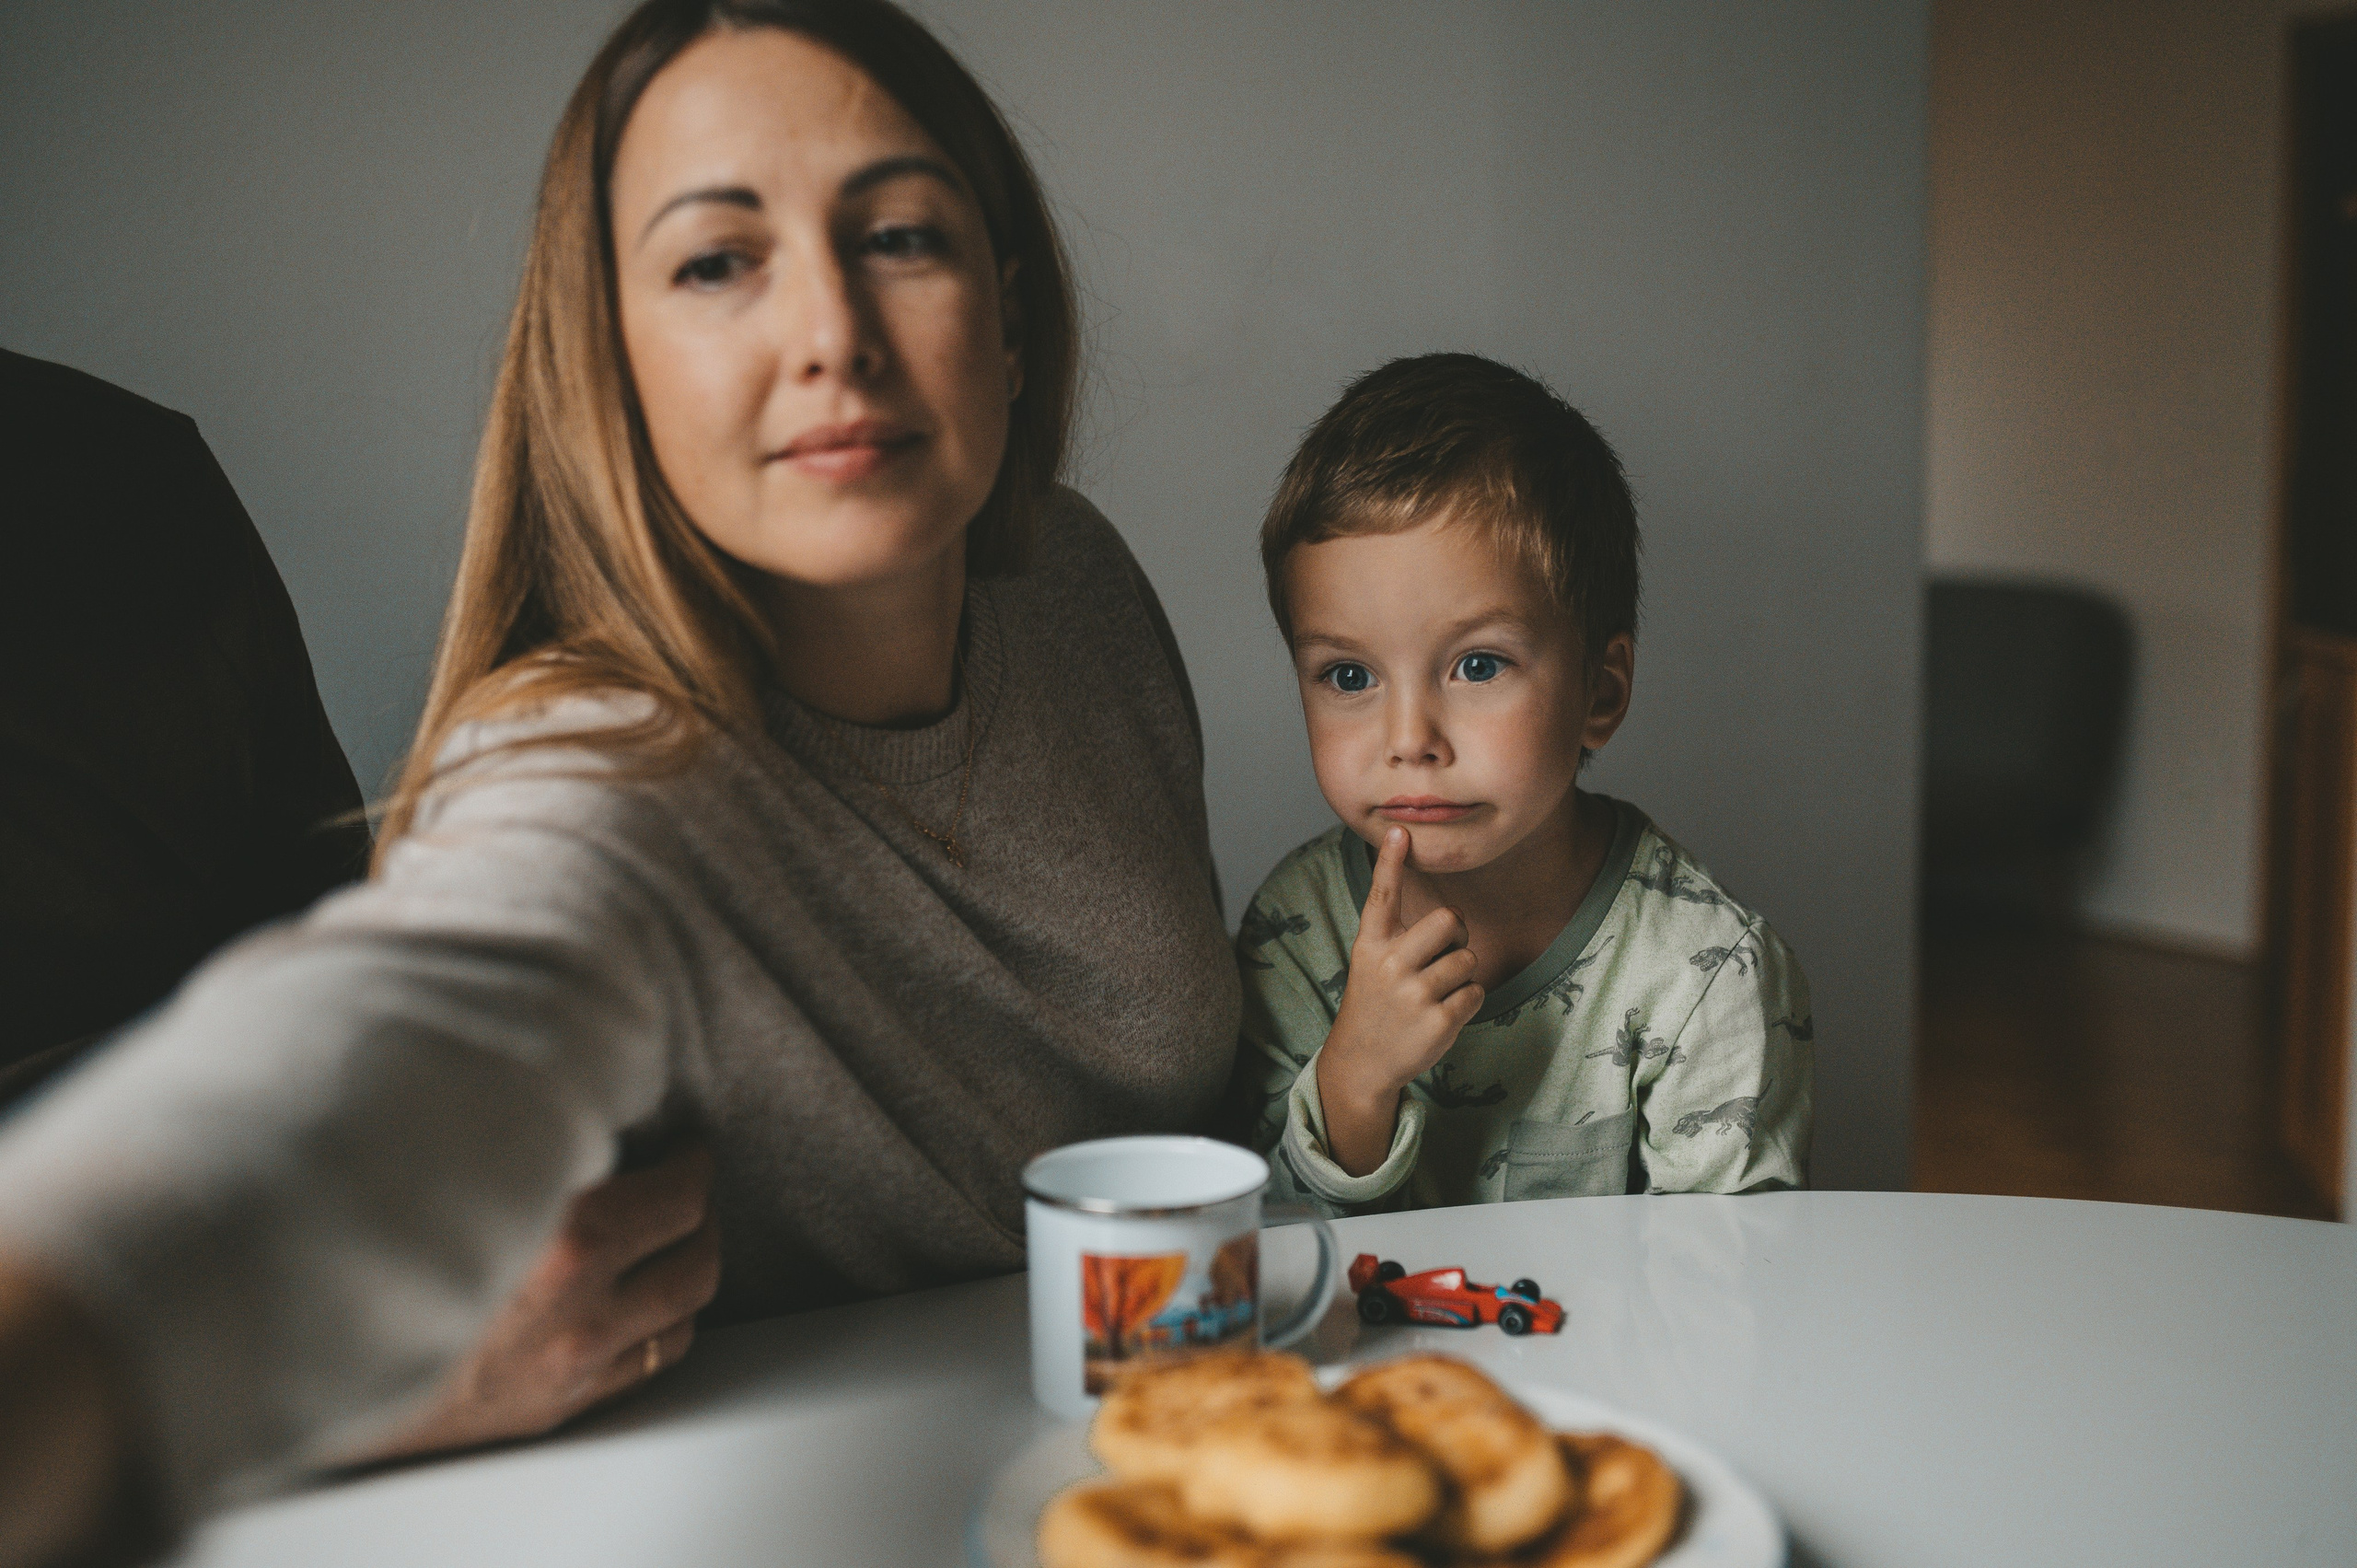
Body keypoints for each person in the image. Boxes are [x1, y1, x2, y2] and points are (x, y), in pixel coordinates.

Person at [0, 2, 1237, 1559]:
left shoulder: (1081, 589)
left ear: (1008, 309)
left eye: (903, 235)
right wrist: (80, 1337)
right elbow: (361, 1059)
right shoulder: (579, 766)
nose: (832, 333)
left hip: (1196, 1464)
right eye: (718, 262)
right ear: (613, 365)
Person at [1225, 354, 1812, 1214]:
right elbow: (1259, 1249)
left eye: (1477, 664)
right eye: (1349, 676)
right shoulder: (1297, 932)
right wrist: (1354, 1078)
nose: (1410, 740)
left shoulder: (1707, 974)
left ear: (1598, 693)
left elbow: (1732, 1284)